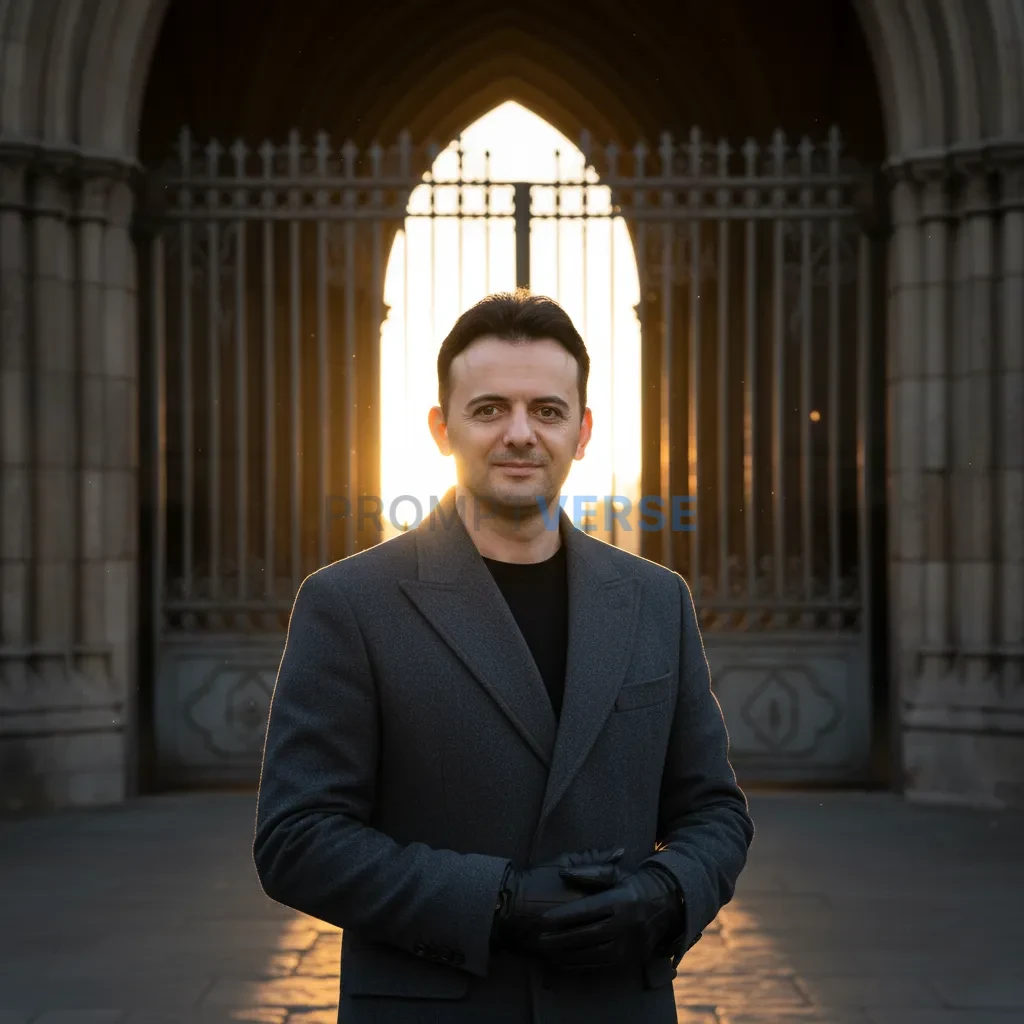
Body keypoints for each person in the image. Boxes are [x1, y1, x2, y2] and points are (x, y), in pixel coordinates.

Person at [253, 291, 754, 1023]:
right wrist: (499, 901)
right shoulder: (348, 602)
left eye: (547, 411)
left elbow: (714, 811)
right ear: (440, 427)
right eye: (489, 409)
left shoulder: (656, 600)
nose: (520, 433)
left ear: (582, 432)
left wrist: (667, 894)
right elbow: (296, 840)